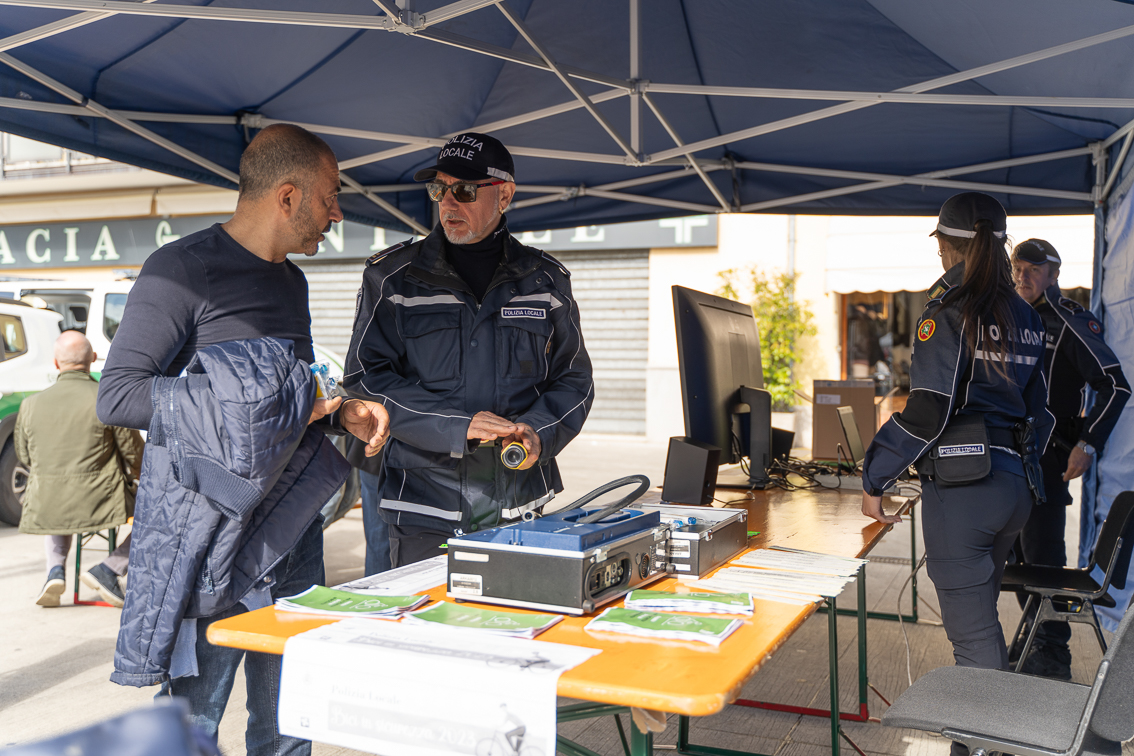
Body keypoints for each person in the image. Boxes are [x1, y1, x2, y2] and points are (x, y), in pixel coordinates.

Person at [96, 123, 389, 756]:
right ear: (288, 197)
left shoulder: (292, 282)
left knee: (290, 722)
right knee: (193, 724)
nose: (338, 213)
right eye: (331, 196)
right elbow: (118, 394)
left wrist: (340, 414)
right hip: (212, 539)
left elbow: (295, 399)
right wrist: (281, 402)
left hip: (294, 529)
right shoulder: (182, 270)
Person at [343, 131, 594, 567]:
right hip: (425, 510)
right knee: (428, 631)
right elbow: (366, 380)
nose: (447, 203)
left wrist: (538, 430)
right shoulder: (393, 279)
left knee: (514, 628)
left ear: (505, 195)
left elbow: (574, 379)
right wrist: (459, 424)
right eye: (440, 189)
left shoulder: (546, 280)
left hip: (519, 506)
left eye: (463, 190)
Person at [860, 193, 1054, 756]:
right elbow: (1040, 412)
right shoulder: (1022, 312)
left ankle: (990, 744)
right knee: (981, 625)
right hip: (1013, 488)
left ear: (947, 244)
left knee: (973, 641)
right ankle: (975, 744)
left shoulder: (948, 308)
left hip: (966, 491)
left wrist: (875, 477)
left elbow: (928, 410)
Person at [1009, 238, 1130, 678]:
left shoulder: (1069, 320)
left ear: (1054, 274)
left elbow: (1116, 386)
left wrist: (1087, 444)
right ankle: (1033, 638)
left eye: (1033, 269)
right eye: (1018, 267)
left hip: (1046, 463)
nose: (1023, 276)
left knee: (1042, 563)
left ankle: (1053, 654)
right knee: (1015, 562)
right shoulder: (1007, 314)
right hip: (1008, 461)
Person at [17, 330, 143, 608]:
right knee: (157, 515)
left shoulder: (29, 405)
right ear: (93, 359)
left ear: (55, 363)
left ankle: (55, 570)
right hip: (101, 502)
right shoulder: (106, 398)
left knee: (57, 495)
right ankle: (109, 568)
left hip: (47, 503)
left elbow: (25, 455)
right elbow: (134, 454)